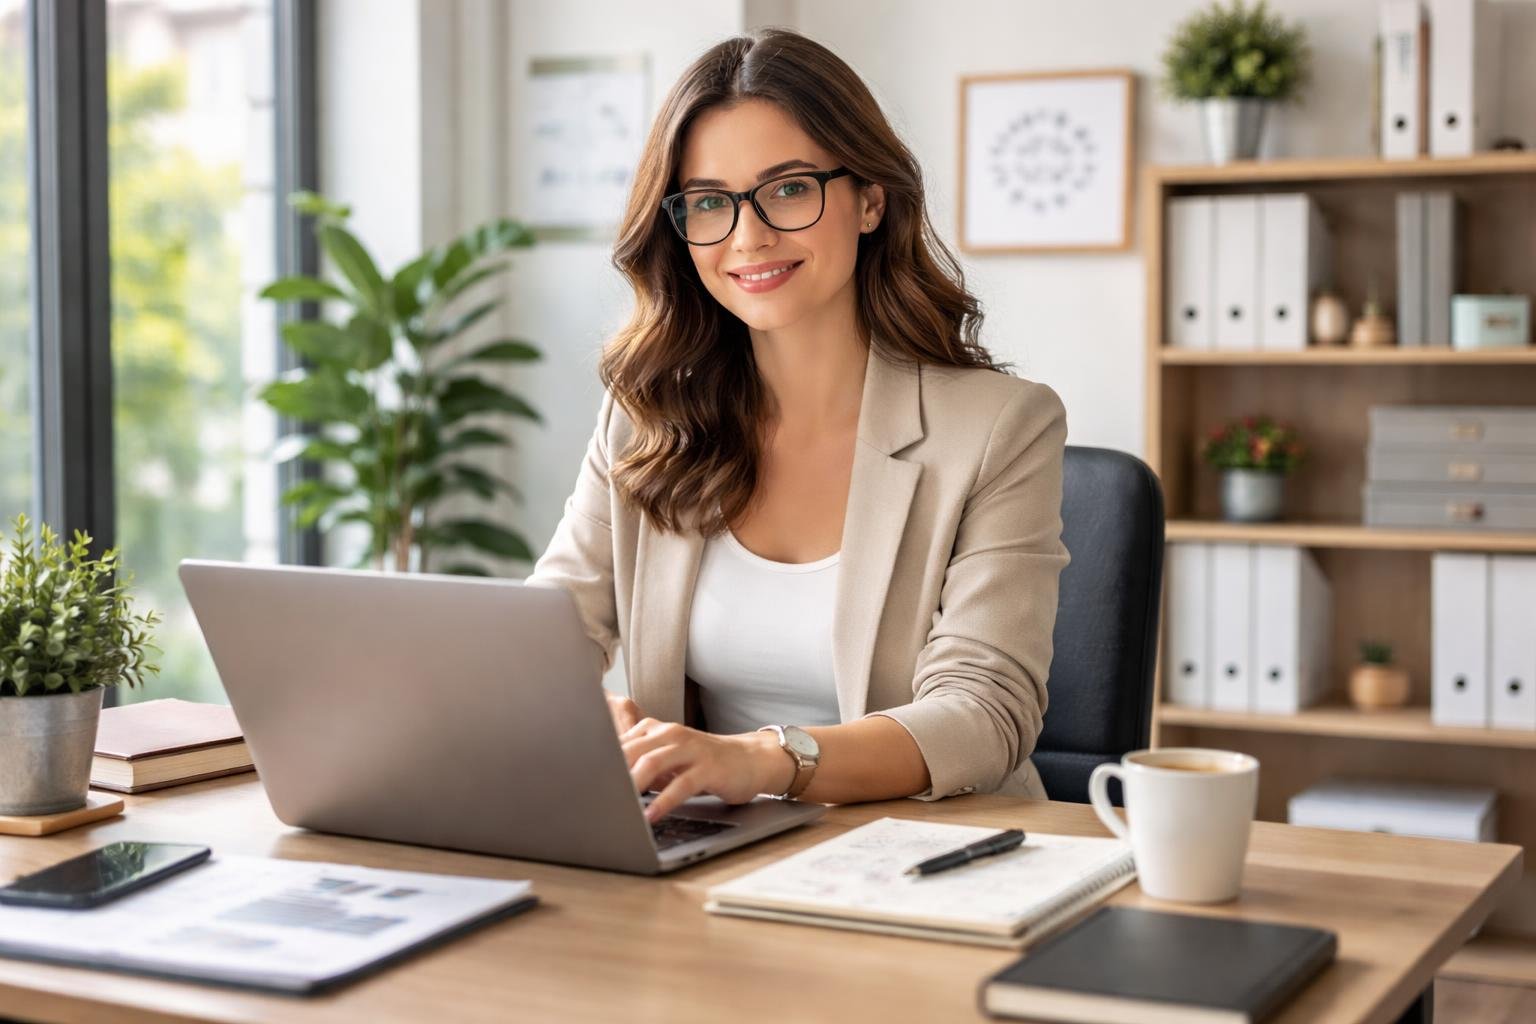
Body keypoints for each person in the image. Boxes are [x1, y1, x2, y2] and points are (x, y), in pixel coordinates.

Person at [524, 27, 1069, 824]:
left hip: (931, 849)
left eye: (787, 189)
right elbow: (550, 632)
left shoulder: (1000, 427)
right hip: (711, 843)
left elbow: (983, 712)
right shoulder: (647, 417)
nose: (748, 237)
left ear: (870, 199)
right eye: (709, 202)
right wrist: (572, 708)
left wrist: (762, 760)